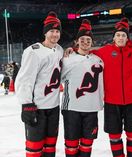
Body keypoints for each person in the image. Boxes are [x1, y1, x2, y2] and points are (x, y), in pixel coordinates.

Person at [15, 11, 63, 157]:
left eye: (57, 31)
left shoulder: (59, 49)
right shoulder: (33, 52)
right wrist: (27, 105)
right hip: (37, 107)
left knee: (50, 147)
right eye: (51, 31)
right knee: (34, 149)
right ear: (45, 33)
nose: (55, 34)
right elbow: (24, 79)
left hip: (53, 107)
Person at [92, 18, 132, 157]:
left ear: (127, 37)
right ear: (114, 37)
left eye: (123, 35)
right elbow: (87, 53)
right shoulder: (105, 51)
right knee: (114, 134)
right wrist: (73, 48)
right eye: (118, 35)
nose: (120, 37)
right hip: (111, 102)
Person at [61, 19, 104, 157]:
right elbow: (57, 79)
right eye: (82, 39)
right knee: (72, 145)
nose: (86, 42)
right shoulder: (67, 59)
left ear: (92, 42)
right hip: (72, 108)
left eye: (88, 39)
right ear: (77, 41)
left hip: (91, 108)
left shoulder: (98, 60)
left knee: (87, 144)